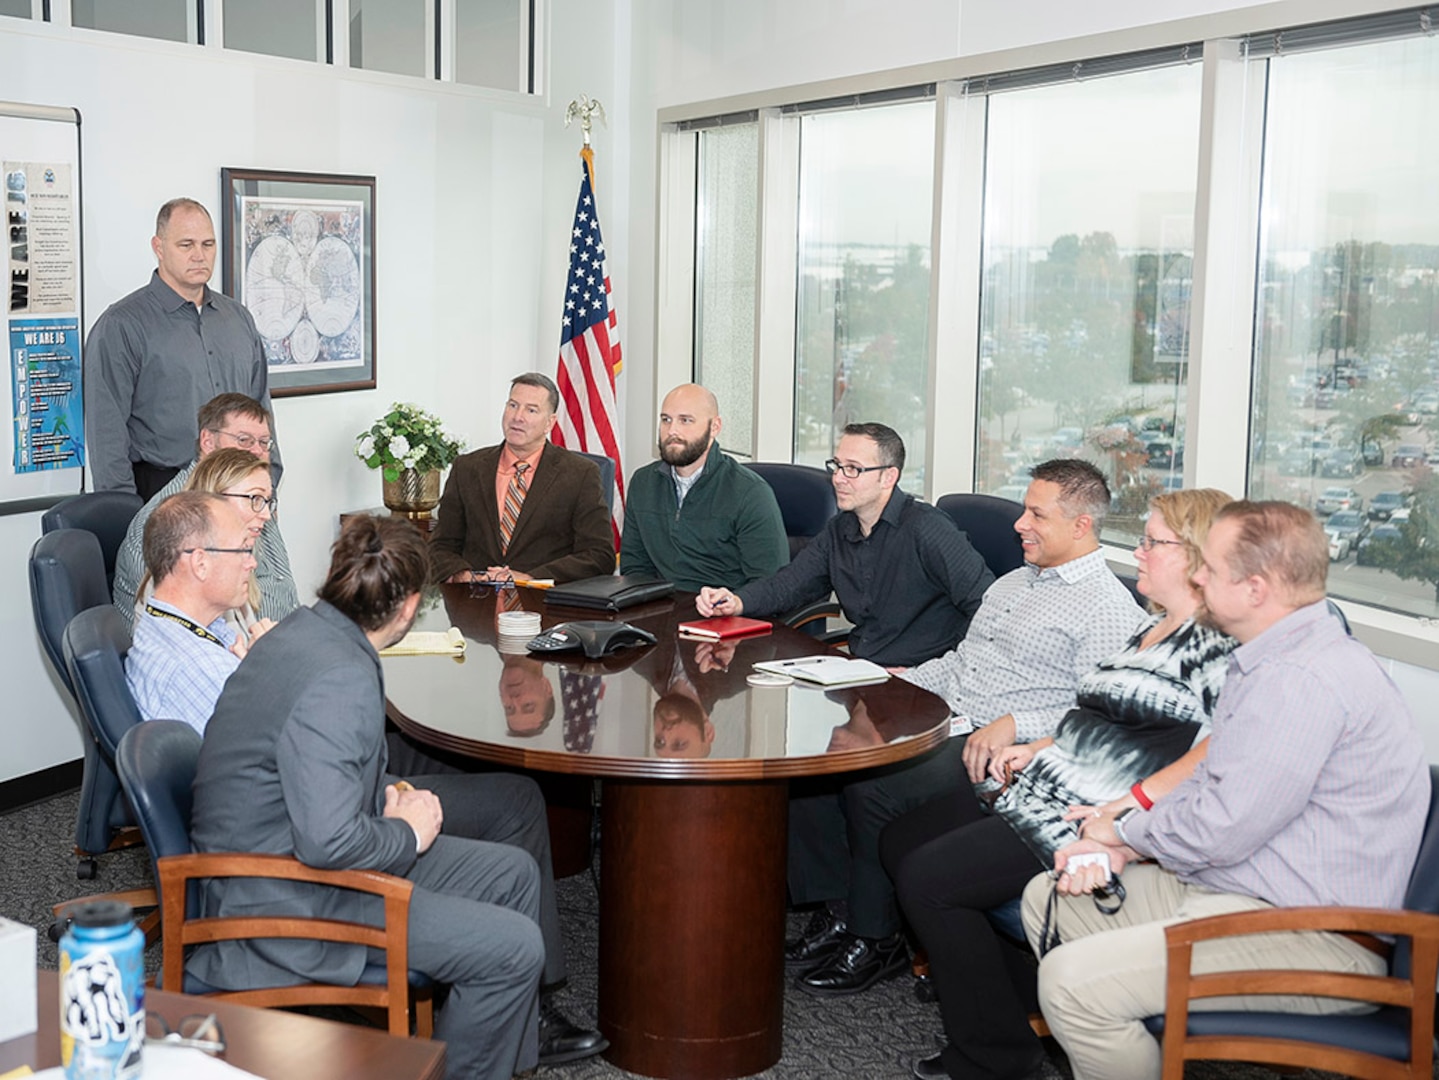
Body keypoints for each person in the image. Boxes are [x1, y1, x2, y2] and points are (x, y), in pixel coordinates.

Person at [1023, 500, 1428, 1080]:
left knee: (1071, 987)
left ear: (1256, 588)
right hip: (1247, 892)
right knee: (1051, 898)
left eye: (1209, 567)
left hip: (1318, 936)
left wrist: (1121, 832)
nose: (1198, 577)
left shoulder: (1299, 681)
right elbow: (1214, 789)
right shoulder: (1272, 658)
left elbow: (1220, 826)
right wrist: (1123, 844)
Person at [187, 517, 606, 1076]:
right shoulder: (339, 678)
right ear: (409, 607)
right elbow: (328, 841)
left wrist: (388, 795)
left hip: (290, 854)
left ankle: (513, 1042)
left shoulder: (306, 633)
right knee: (514, 949)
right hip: (290, 898)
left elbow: (310, 778)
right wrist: (407, 830)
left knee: (514, 874)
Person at [881, 489, 1236, 1080]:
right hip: (1051, 782)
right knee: (901, 838)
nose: (1138, 553)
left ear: (1199, 558)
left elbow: (1211, 760)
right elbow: (1101, 719)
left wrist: (1121, 821)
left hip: (1089, 816)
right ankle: (1019, 1000)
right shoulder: (1150, 629)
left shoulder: (1215, 649)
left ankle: (997, 1057)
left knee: (929, 878)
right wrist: (1039, 747)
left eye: (1152, 543)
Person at [784, 459, 1145, 998]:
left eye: (1036, 514)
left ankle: (874, 936)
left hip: (1006, 755)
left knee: (872, 784)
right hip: (948, 717)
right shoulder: (1015, 583)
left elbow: (1100, 716)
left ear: (1080, 526)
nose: (1020, 524)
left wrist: (1017, 722)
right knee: (825, 746)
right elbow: (962, 661)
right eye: (1024, 510)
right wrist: (893, 681)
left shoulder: (1107, 609)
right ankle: (852, 909)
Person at [697, 422, 993, 667]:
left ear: (889, 477)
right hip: (863, 671)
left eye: (853, 469)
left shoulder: (928, 529)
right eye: (837, 466)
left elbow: (987, 608)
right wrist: (736, 601)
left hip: (922, 679)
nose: (838, 478)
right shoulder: (840, 530)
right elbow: (787, 585)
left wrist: (939, 671)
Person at [85, 198, 276, 499]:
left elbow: (261, 410)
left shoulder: (239, 319)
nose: (199, 255)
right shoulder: (121, 326)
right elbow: (106, 433)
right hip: (162, 491)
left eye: (208, 244)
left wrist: (268, 486)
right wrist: (122, 514)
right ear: (159, 247)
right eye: (186, 245)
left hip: (239, 487)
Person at [113, 393, 297, 629]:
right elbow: (178, 628)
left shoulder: (251, 500)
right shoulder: (168, 521)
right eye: (244, 440)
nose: (257, 452)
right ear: (208, 442)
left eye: (264, 443)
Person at [429, 373, 614, 585]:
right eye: (513, 405)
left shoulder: (580, 474)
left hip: (543, 602)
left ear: (549, 423)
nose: (518, 417)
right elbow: (440, 546)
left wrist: (529, 579)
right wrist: (464, 576)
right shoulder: (467, 468)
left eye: (531, 410)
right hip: (474, 600)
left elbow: (599, 555)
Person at [125, 491, 274, 734]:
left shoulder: (167, 624)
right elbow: (289, 747)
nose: (252, 563)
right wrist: (274, 671)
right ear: (200, 564)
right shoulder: (201, 668)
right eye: (243, 550)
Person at [620, 383, 787, 592]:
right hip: (660, 611)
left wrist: (730, 605)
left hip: (726, 616)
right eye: (666, 420)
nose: (672, 430)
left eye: (686, 420)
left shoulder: (750, 493)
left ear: (715, 427)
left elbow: (770, 585)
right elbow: (635, 568)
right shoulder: (643, 483)